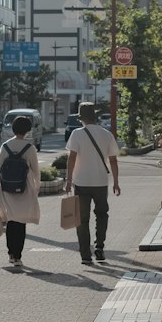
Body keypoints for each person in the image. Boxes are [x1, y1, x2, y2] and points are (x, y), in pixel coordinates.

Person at [64, 102, 120, 266]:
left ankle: (85, 255)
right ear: (94, 117)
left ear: (81, 118)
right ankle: (100, 247)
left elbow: (72, 158)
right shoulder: (106, 134)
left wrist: (68, 180)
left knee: (82, 219)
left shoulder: (77, 134)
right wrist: (116, 182)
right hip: (101, 182)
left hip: (81, 182)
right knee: (102, 214)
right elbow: (113, 160)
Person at [0, 113, 41, 269]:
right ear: (27, 130)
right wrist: (36, 187)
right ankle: (18, 256)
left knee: (11, 221)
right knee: (21, 222)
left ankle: (11, 254)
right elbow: (36, 170)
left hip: (6, 188)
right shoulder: (30, 147)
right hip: (24, 188)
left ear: (13, 129)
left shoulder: (5, 146)